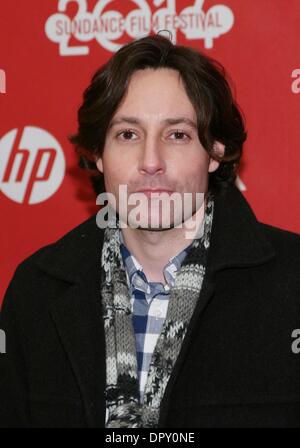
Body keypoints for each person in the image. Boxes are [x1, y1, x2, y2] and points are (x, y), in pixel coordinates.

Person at [1, 34, 300, 429]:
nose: (151, 161)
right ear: (98, 154)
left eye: (177, 134)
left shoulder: (293, 282)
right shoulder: (36, 289)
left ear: (214, 152)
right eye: (128, 134)